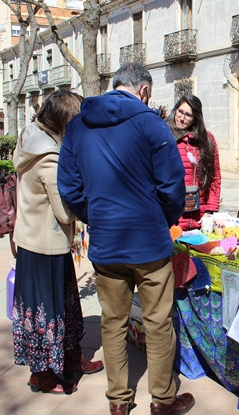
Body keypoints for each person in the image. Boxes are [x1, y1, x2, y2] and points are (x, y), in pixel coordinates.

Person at [57, 63, 194, 415]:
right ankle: (162, 399)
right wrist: (161, 220)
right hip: (148, 242)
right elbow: (172, 186)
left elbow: (69, 187)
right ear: (144, 91)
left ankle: (119, 400)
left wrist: (95, 216)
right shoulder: (151, 123)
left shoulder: (78, 126)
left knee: (113, 323)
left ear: (114, 84)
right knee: (159, 322)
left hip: (107, 242)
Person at [12, 89, 103, 395]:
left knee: (64, 306)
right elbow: (65, 213)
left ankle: (71, 359)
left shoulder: (30, 137)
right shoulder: (49, 158)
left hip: (33, 239)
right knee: (45, 311)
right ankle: (43, 375)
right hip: (44, 245)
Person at [165, 95, 221, 230]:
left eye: (188, 115)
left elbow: (214, 177)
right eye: (180, 112)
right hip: (171, 219)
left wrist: (209, 211)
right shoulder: (163, 136)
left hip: (199, 219)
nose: (182, 118)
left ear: (196, 118)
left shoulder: (207, 141)